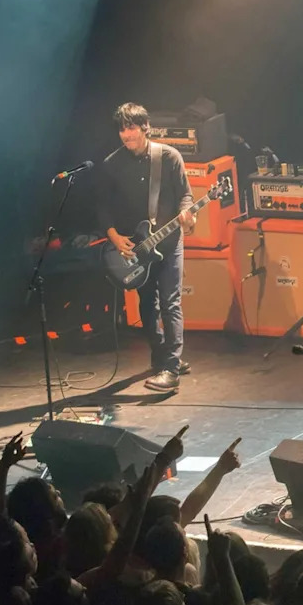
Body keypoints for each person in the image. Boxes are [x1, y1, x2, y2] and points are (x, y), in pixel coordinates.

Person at [99, 102, 194, 392]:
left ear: (145, 128)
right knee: (147, 305)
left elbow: (186, 196)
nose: (126, 134)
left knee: (170, 302)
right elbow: (103, 207)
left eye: (131, 128)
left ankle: (171, 368)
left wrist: (188, 214)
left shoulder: (168, 157)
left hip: (169, 241)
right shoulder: (112, 164)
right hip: (137, 246)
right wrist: (114, 237)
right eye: (121, 129)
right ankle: (162, 356)